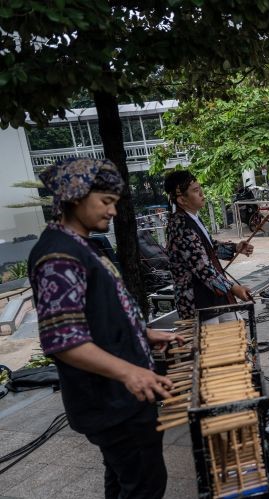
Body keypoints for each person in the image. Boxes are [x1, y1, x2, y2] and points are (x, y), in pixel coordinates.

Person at [29, 158, 179, 498]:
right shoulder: (58, 257)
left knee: (123, 480)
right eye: (106, 201)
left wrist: (144, 334)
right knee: (144, 485)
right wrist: (130, 372)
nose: (112, 211)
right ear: (75, 196)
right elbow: (63, 340)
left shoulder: (82, 245)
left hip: (118, 399)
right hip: (112, 402)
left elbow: (102, 313)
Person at [164, 170, 253, 323]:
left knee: (236, 336)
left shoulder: (192, 218)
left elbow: (209, 247)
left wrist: (235, 248)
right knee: (213, 345)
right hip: (197, 302)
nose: (202, 194)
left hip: (214, 296)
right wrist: (234, 288)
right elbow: (202, 267)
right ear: (182, 200)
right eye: (196, 191)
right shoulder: (180, 226)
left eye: (200, 189)